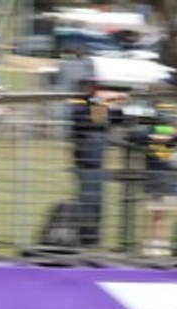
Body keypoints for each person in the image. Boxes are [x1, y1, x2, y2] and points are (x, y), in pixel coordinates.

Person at [70, 77, 127, 248]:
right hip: (86, 162)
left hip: (97, 162)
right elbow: (95, 120)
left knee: (97, 203)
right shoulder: (82, 106)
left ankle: (92, 238)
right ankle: (86, 239)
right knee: (88, 202)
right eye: (97, 88)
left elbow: (119, 118)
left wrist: (117, 102)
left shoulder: (97, 106)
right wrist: (106, 100)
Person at [127, 111, 177, 257]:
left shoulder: (173, 136)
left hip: (167, 178)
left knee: (164, 214)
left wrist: (162, 137)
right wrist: (152, 137)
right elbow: (133, 136)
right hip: (153, 177)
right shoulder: (147, 134)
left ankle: (163, 244)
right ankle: (151, 245)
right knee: (154, 214)